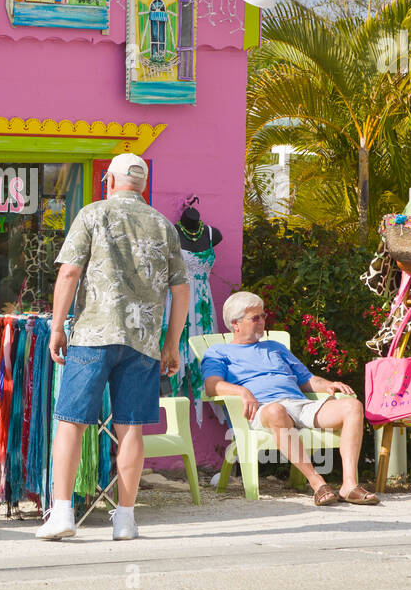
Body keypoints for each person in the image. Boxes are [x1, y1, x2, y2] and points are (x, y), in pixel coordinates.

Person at [39, 153, 189, 541]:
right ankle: (125, 519)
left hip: (94, 334)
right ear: (142, 184)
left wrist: (57, 327)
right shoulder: (163, 225)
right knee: (131, 428)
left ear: (109, 180)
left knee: (71, 421)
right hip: (143, 340)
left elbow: (70, 271)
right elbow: (181, 288)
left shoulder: (92, 214)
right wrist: (171, 342)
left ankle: (62, 513)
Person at [199, 291, 379, 506]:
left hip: (299, 404)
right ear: (235, 323)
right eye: (255, 318)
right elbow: (212, 386)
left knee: (352, 406)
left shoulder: (275, 347)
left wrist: (327, 384)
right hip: (263, 410)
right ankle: (317, 483)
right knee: (277, 411)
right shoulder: (219, 352)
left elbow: (307, 379)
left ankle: (349, 484)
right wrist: (242, 391)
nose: (262, 321)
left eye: (263, 316)